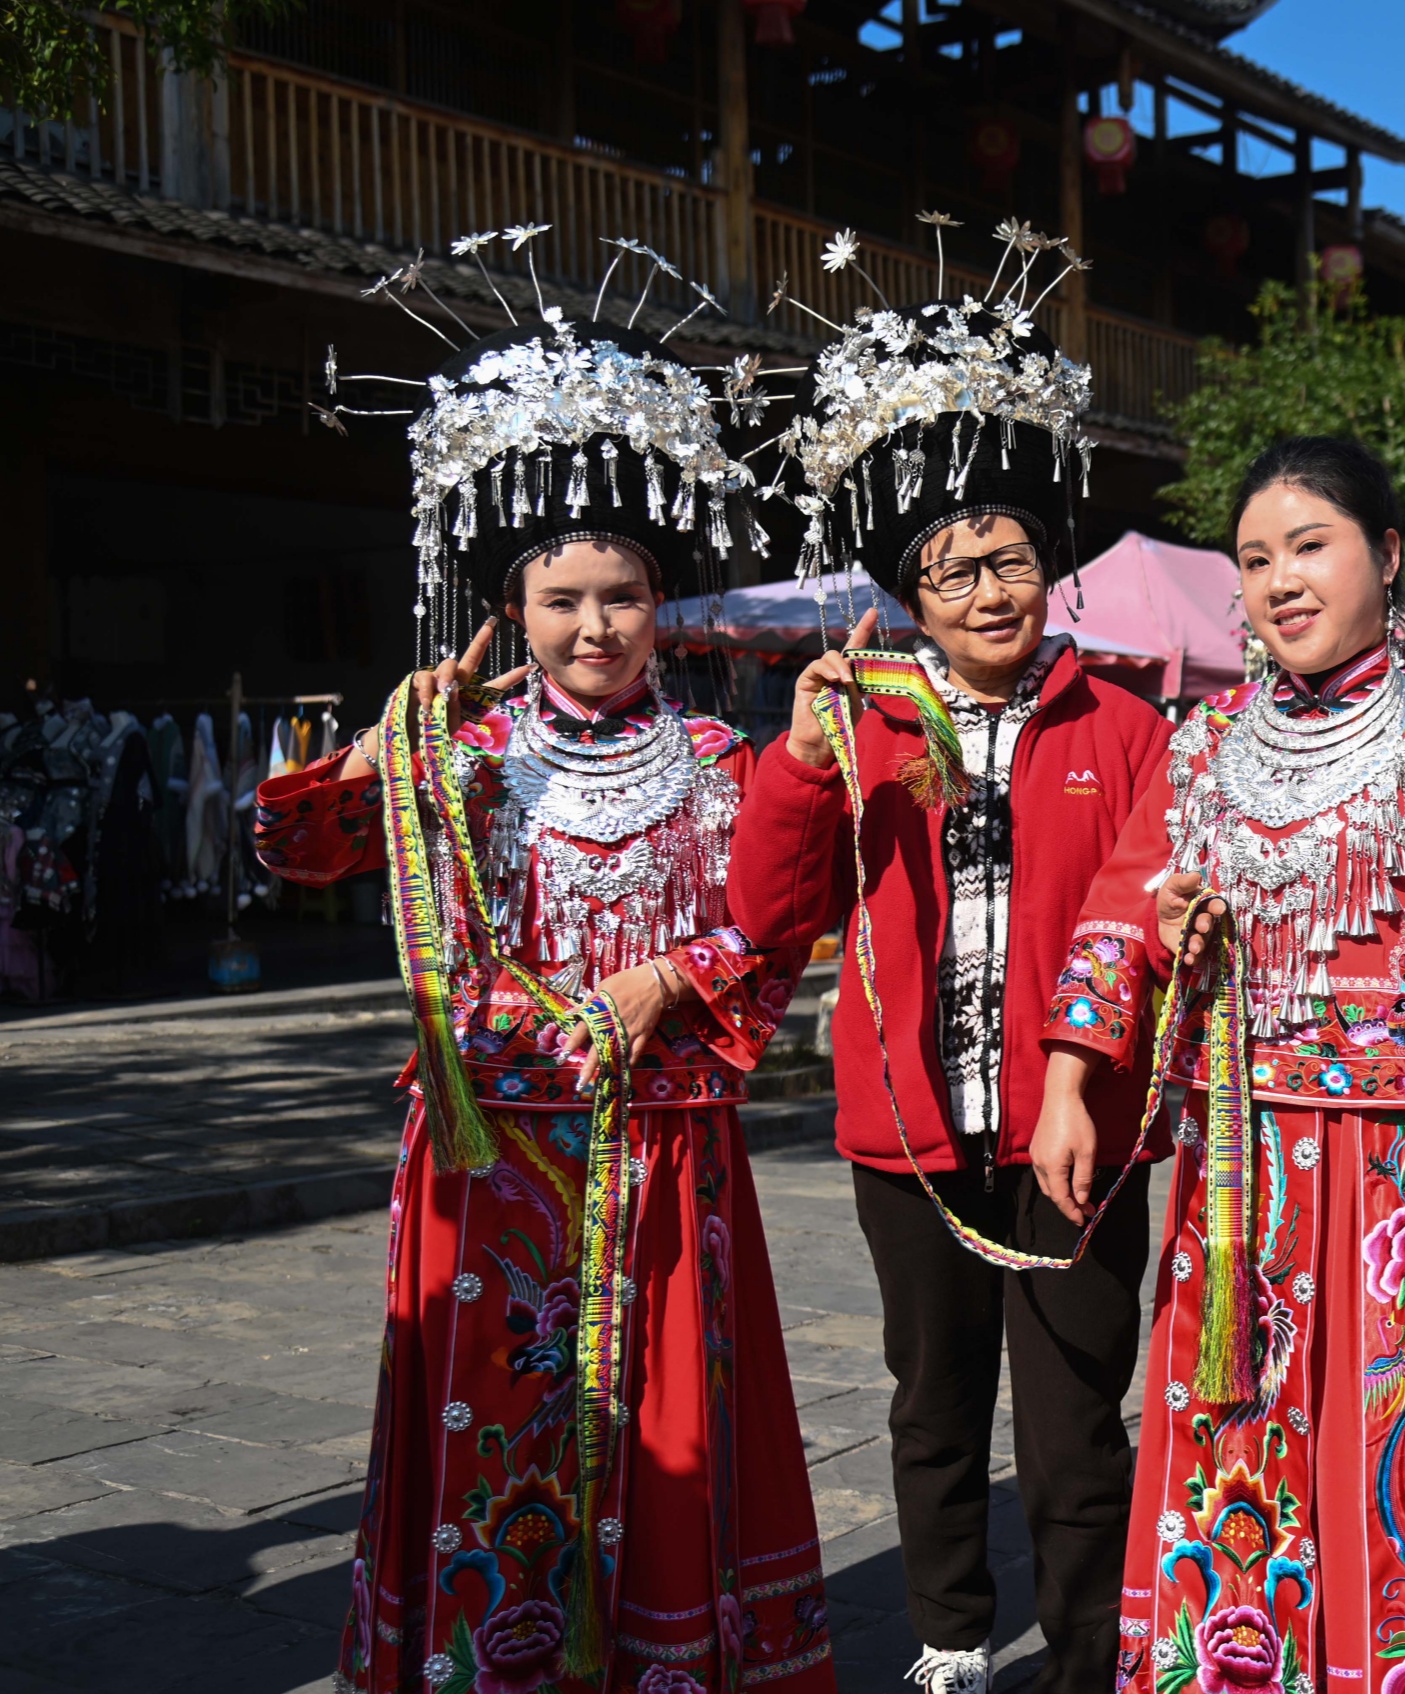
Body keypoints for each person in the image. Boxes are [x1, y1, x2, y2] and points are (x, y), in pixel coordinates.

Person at [254, 282, 835, 1691]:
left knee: (668, 1422)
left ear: (660, 603)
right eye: (562, 599)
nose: (596, 624)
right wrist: (391, 744)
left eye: (622, 595)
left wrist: (665, 984)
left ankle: (663, 1656)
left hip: (662, 1148)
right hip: (494, 1154)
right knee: (498, 1427)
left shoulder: (710, 752)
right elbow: (299, 846)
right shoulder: (456, 745)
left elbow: (768, 929)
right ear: (511, 606)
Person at [1031, 436, 1405, 1694]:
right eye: (1255, 560)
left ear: (1389, 557)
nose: (1279, 582)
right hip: (1240, 1173)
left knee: (1400, 1443)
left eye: (1311, 546)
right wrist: (1069, 1080)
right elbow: (1114, 915)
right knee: (1240, 1441)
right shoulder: (1202, 746)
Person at [724, 243, 1174, 1694]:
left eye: (1013, 558)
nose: (990, 590)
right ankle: (949, 1636)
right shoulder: (857, 714)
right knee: (931, 1402)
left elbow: (1139, 898)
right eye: (953, 568)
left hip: (1077, 1127)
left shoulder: (1122, 722)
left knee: (1075, 1409)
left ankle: (1091, 1651)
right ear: (906, 589)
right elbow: (771, 912)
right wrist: (797, 770)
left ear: (1052, 562)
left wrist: (1083, 1075)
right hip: (909, 1129)